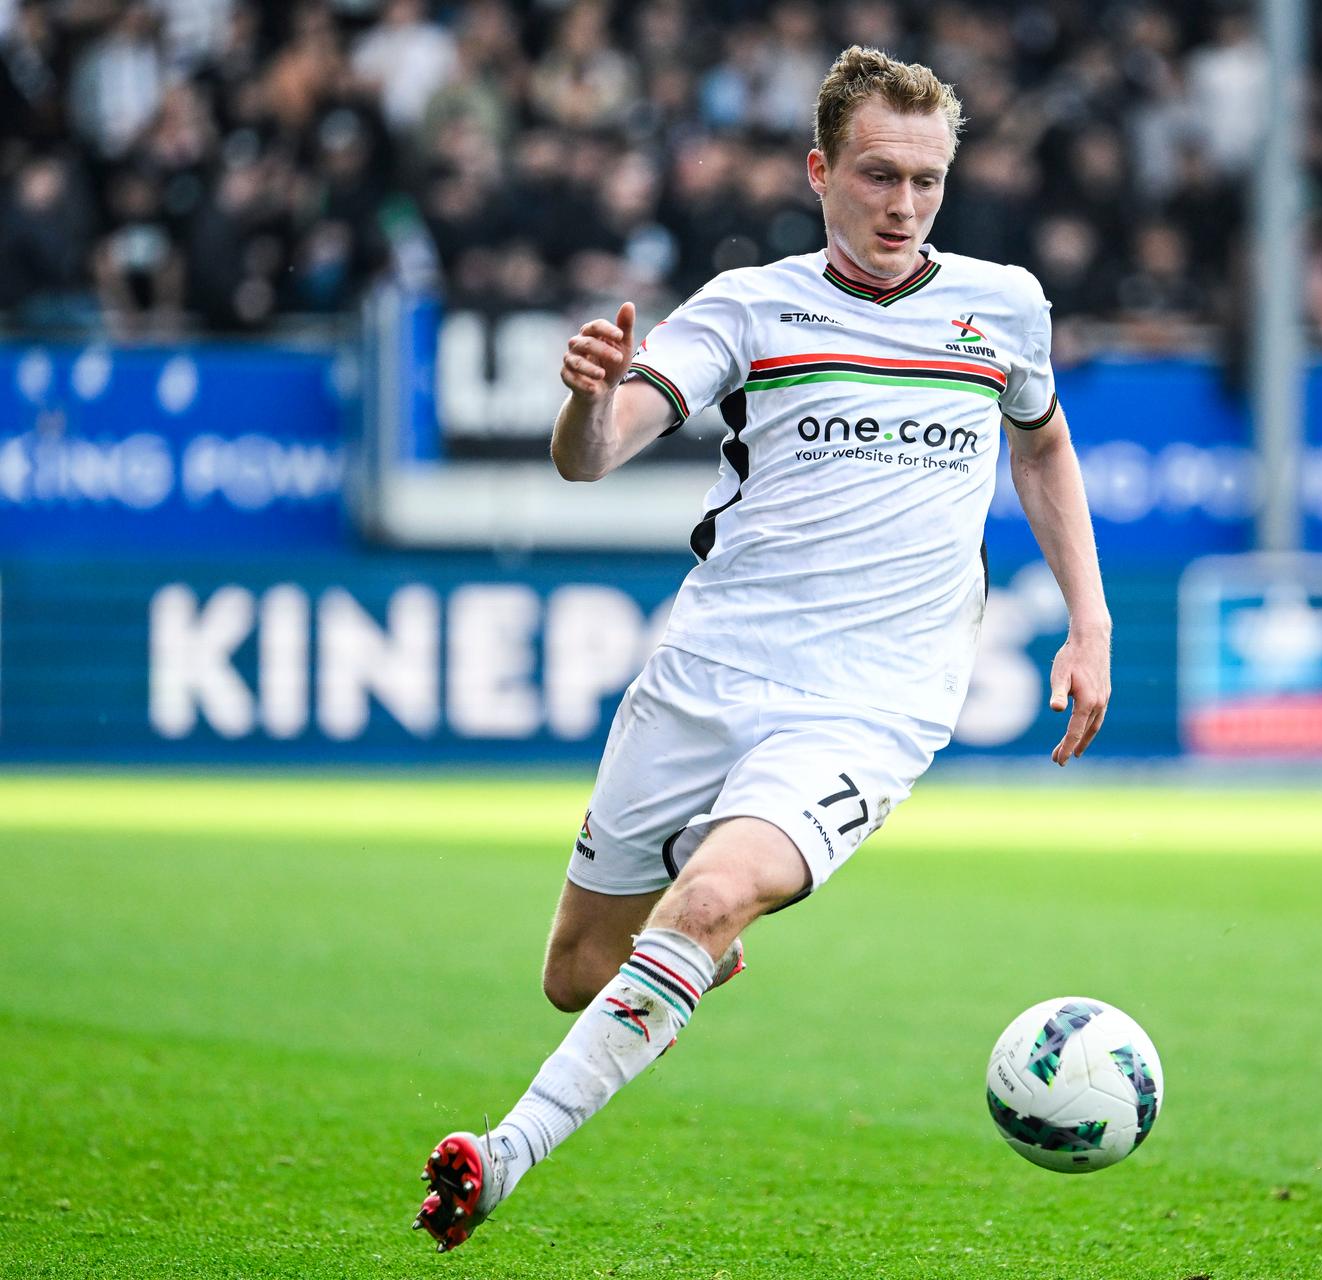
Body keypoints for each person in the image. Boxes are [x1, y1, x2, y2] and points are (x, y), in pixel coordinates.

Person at [411, 46, 1111, 1252]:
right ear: (820, 171)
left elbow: (1040, 445)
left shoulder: (1004, 306)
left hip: (874, 700)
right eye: (878, 175)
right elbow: (594, 455)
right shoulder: (751, 305)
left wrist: (1089, 620)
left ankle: (503, 1151)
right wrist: (587, 397)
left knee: (712, 893)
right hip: (711, 670)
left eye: (928, 181)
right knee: (579, 970)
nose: (903, 205)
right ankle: (693, 955)